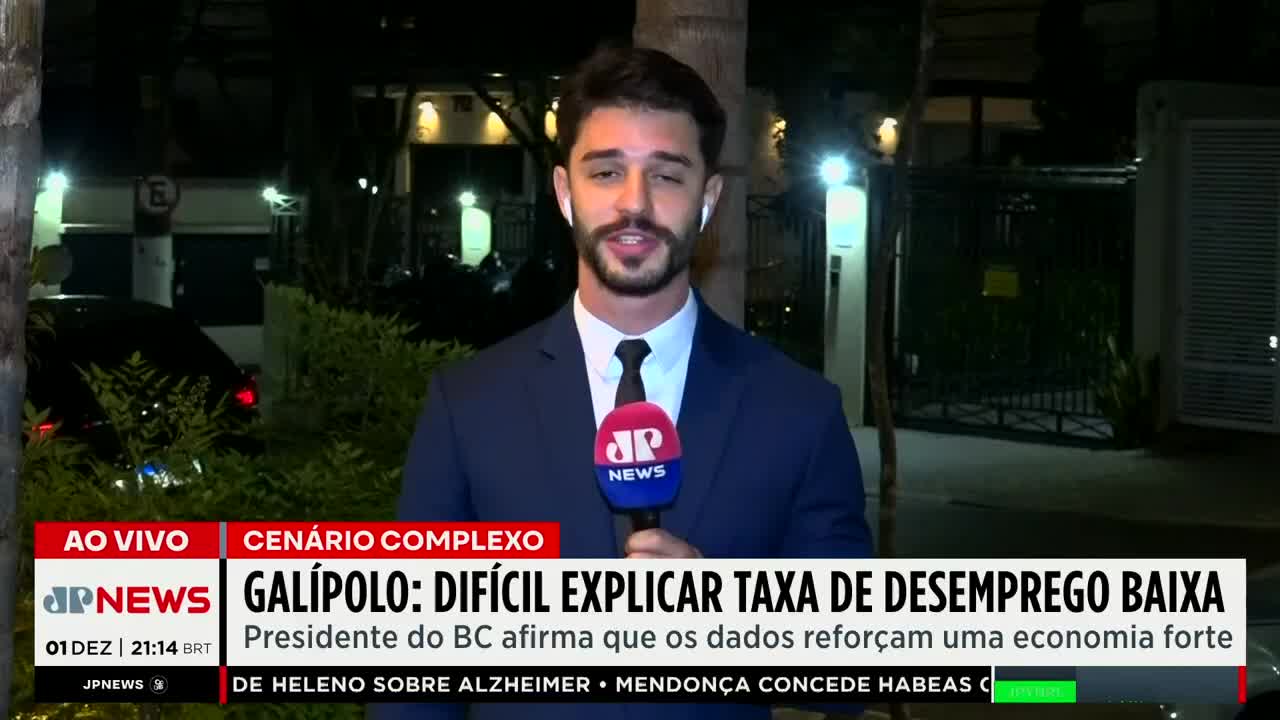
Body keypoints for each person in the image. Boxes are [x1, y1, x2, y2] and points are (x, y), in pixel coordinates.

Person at [380, 46, 872, 720]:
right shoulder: (467, 407)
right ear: (563, 192)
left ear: (708, 199)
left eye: (667, 176)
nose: (633, 204)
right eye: (606, 171)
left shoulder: (799, 412)